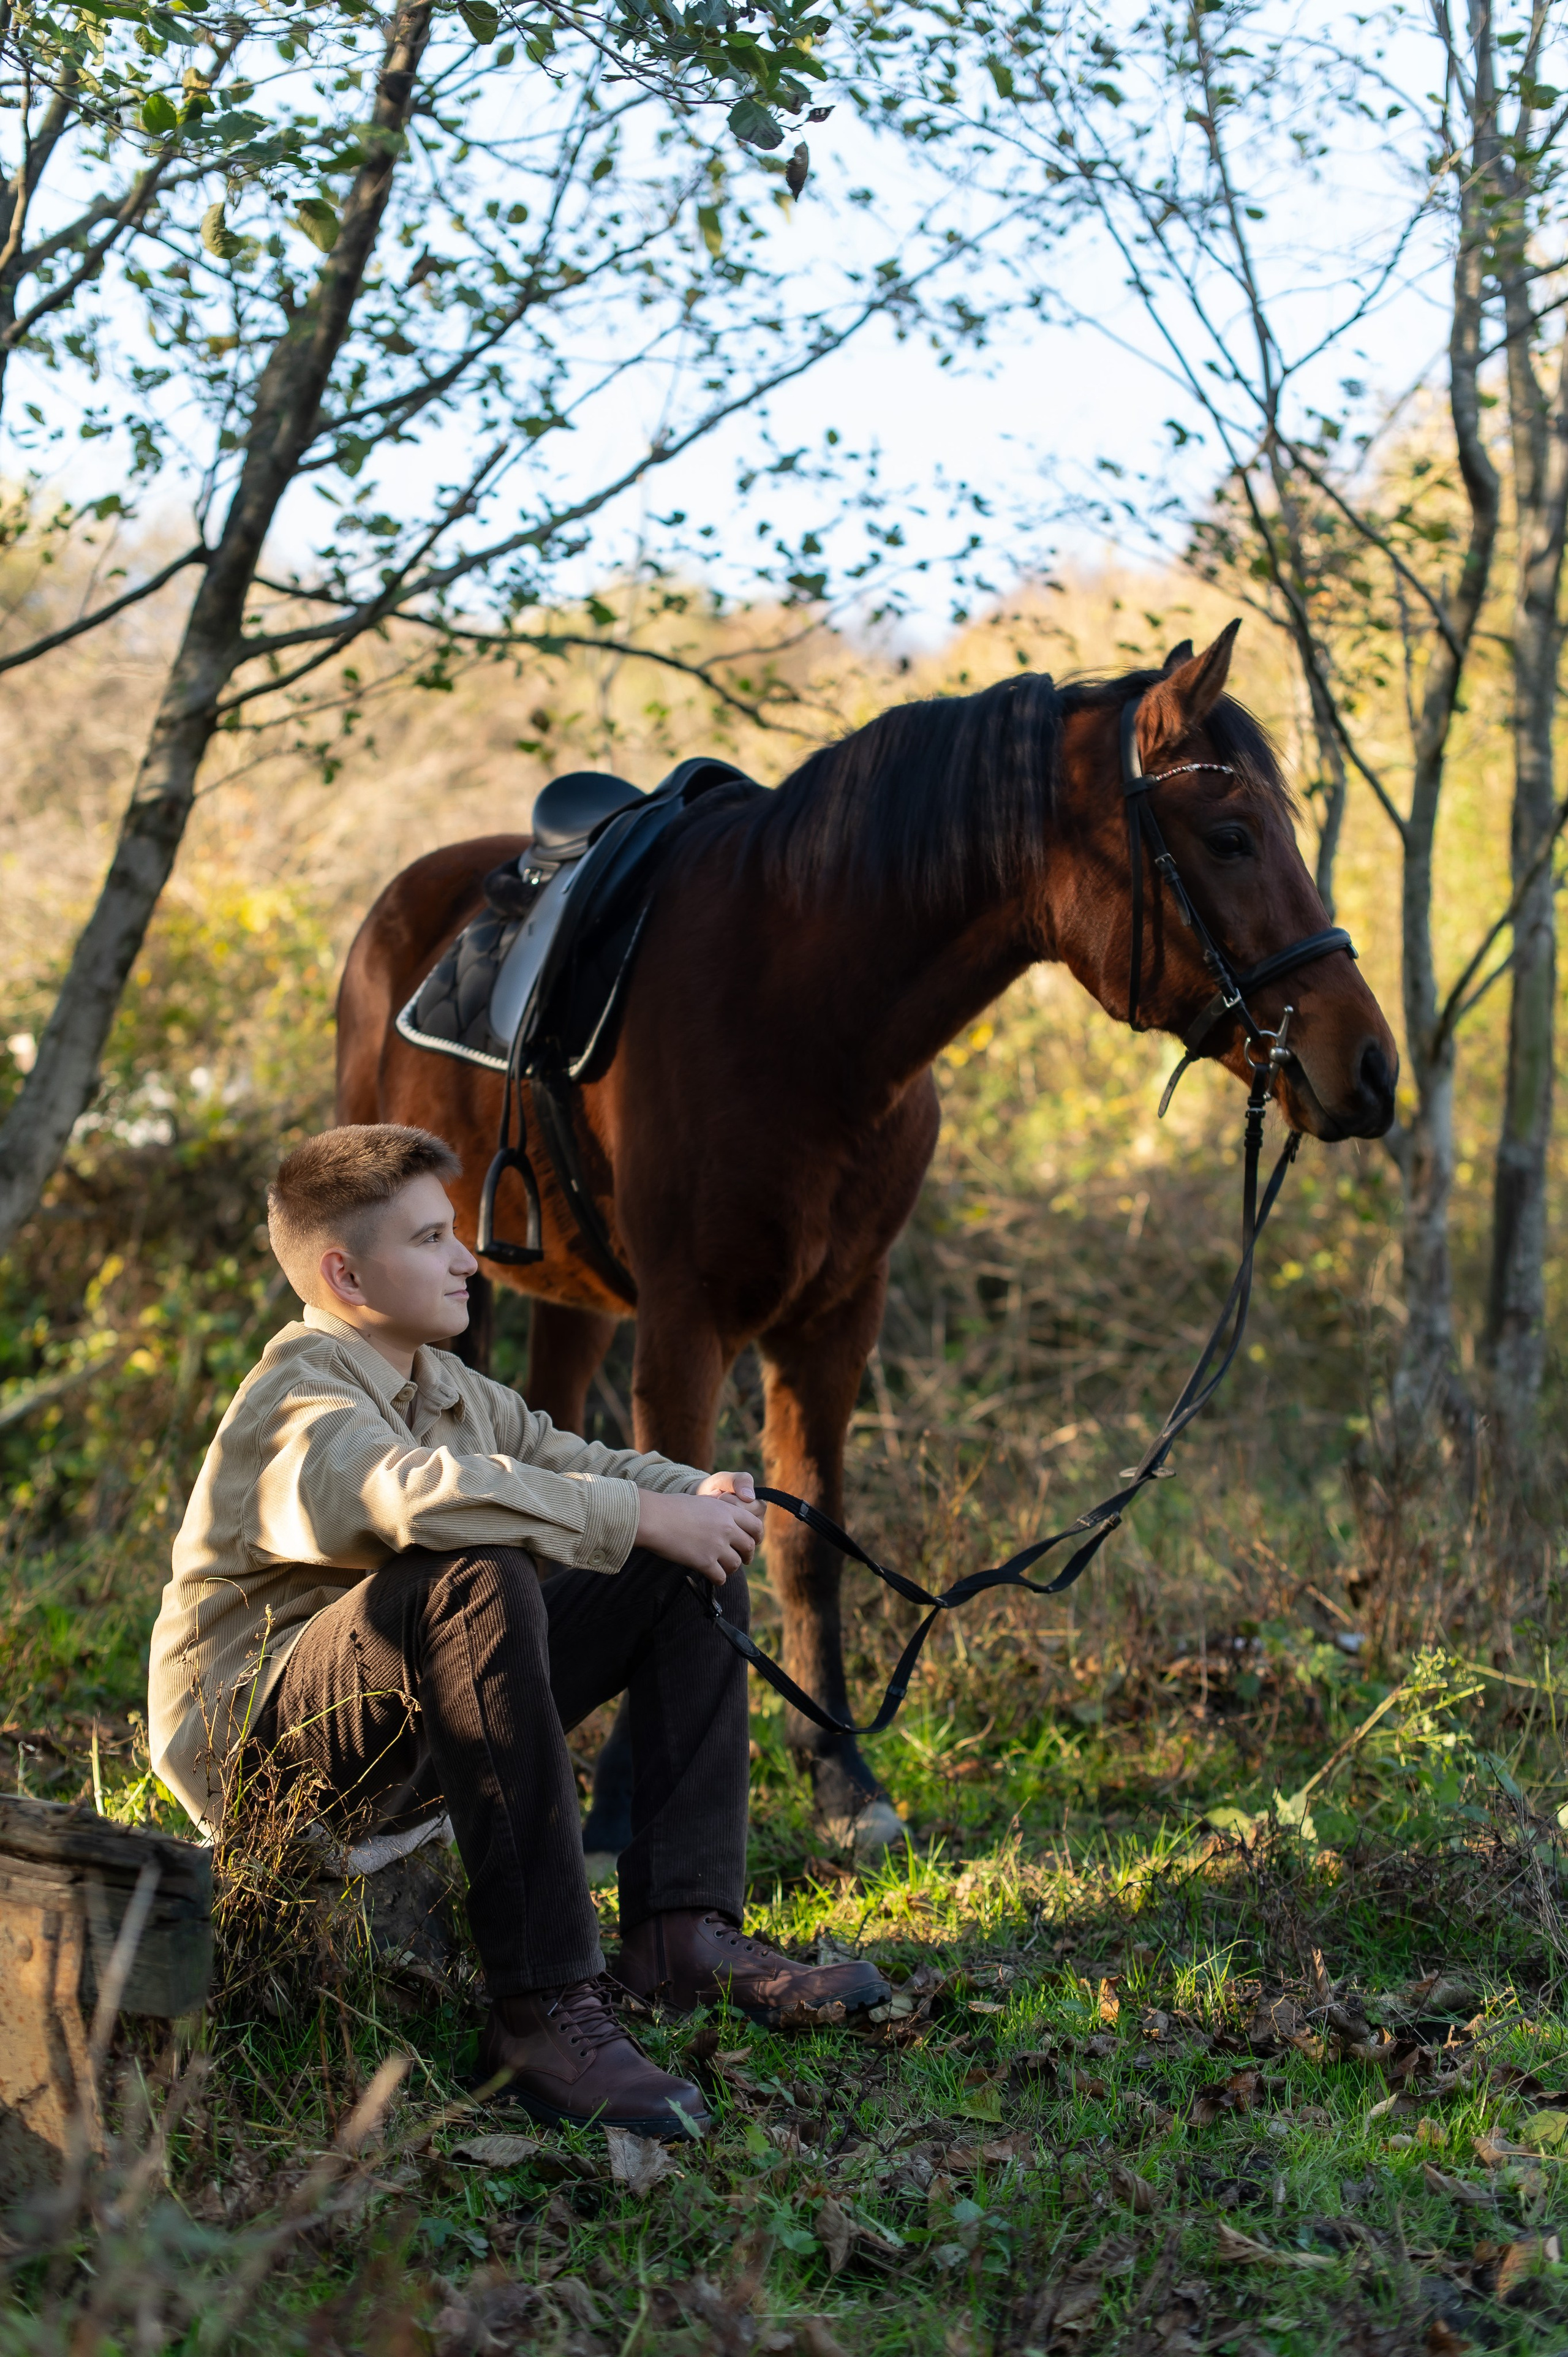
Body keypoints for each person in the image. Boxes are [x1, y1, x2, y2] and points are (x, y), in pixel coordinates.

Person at [148, 1123, 887, 2136]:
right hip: (269, 1760)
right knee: (473, 1574)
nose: (468, 1260)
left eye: (455, 1233)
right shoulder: (299, 1396)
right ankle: (540, 2011)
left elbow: (570, 1459)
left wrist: (692, 1494)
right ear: (344, 1274)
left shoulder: (443, 1384)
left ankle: (680, 1934)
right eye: (431, 1240)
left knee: (678, 1562)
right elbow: (410, 1497)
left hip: (390, 1729)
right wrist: (641, 1512)